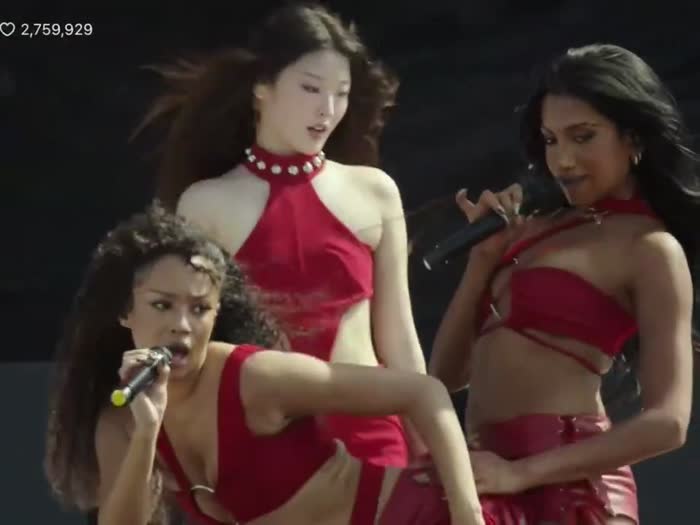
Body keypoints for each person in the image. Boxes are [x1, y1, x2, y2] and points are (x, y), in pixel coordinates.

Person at [44, 205, 487, 525]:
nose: (181, 325)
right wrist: (147, 431)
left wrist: (468, 517)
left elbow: (423, 392)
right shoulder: (123, 420)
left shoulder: (252, 378)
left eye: (199, 309)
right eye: (162, 305)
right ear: (125, 312)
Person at [132, 2, 426, 468]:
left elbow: (399, 339)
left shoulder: (375, 193)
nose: (327, 109)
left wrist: (428, 448)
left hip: (372, 433)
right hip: (263, 437)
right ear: (261, 88)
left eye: (341, 94)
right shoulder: (205, 204)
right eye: (310, 88)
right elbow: (193, 342)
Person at [429, 43, 698, 524]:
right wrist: (482, 261)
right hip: (485, 471)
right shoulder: (531, 226)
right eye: (551, 140)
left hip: (572, 488)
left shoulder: (651, 249)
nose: (563, 160)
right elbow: (445, 377)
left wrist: (521, 473)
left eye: (583, 137)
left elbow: (669, 423)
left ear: (633, 138)